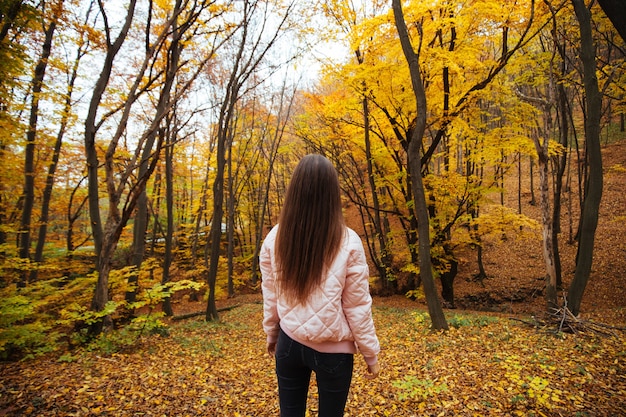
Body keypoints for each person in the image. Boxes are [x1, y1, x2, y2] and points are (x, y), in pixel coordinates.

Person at [260, 154, 381, 417]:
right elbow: (357, 306)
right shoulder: (349, 241)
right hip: (334, 353)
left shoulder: (274, 238)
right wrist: (370, 353)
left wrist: (272, 334)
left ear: (294, 190)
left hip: (289, 344)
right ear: (332, 193)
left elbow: (270, 294)